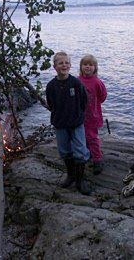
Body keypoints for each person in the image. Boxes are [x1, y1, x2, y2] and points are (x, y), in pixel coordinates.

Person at [46, 51, 91, 195]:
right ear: (55, 67)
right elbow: (50, 103)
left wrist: (77, 114)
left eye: (66, 63)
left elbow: (84, 100)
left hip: (76, 122)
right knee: (64, 150)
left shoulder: (76, 83)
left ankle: (80, 180)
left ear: (70, 65)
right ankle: (70, 175)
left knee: (80, 150)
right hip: (60, 123)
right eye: (60, 63)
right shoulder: (51, 86)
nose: (64, 65)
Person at [78, 54, 107, 175]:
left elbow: (103, 96)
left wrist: (95, 104)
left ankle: (97, 159)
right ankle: (88, 154)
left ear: (95, 67)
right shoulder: (77, 80)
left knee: (92, 138)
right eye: (85, 64)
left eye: (90, 65)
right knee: (82, 137)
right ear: (81, 67)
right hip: (80, 115)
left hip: (93, 116)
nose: (88, 67)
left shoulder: (97, 82)